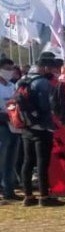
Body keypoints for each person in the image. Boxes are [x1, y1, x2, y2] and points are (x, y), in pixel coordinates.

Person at [19, 54, 63, 207]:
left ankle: (28, 196)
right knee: (43, 162)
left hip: (26, 126)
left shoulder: (22, 80)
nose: (54, 72)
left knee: (27, 161)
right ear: (45, 68)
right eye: (52, 69)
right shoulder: (43, 83)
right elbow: (47, 106)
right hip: (42, 127)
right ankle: (44, 196)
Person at [0, 58, 20, 200]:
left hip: (14, 126)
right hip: (2, 126)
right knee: (2, 157)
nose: (10, 71)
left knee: (11, 159)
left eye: (11, 69)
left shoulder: (12, 86)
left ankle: (9, 189)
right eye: (7, 68)